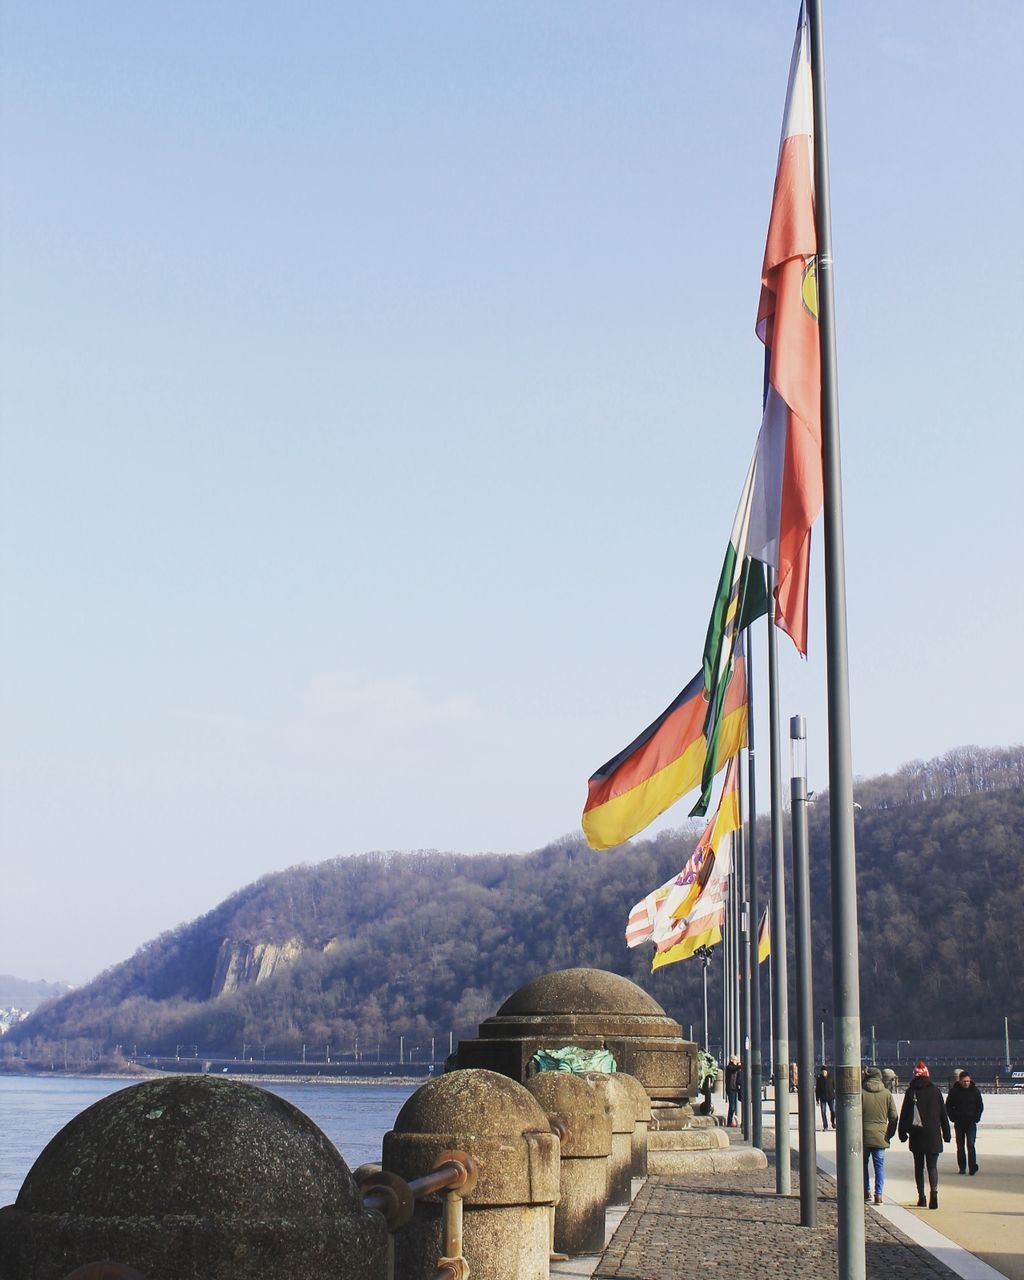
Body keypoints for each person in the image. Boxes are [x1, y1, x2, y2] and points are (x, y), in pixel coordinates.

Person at [898, 1060, 951, 1209]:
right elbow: (943, 1114)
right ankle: (934, 1192)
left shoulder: (911, 1092)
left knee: (919, 1166)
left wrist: (902, 1133)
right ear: (927, 1075)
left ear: (914, 1076)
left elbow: (905, 1115)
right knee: (932, 1166)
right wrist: (946, 1134)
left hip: (917, 1135)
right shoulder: (935, 1091)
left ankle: (921, 1197)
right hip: (933, 1134)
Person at [862, 1066, 898, 1204]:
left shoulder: (861, 1093)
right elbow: (894, 1117)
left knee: (863, 1165)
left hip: (864, 1134)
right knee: (879, 1166)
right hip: (881, 1135)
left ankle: (866, 1191)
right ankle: (879, 1195)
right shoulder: (887, 1094)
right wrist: (889, 1133)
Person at [946, 1069, 984, 1175]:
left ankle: (972, 1167)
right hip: (959, 1122)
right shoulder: (954, 1091)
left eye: (967, 1081)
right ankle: (962, 1167)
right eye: (964, 1081)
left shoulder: (975, 1091)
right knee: (960, 1145)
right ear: (960, 1081)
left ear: (970, 1080)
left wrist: (977, 1117)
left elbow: (980, 1106)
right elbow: (948, 1105)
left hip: (971, 1122)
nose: (966, 1083)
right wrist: (952, 1117)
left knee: (971, 1144)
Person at [724, 1055, 741, 1127]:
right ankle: (729, 1121)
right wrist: (740, 1066)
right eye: (736, 1060)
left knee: (733, 1106)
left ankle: (730, 1121)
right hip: (730, 1088)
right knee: (732, 1106)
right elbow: (734, 1069)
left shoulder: (735, 1068)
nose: (737, 1061)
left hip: (734, 1088)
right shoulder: (729, 1067)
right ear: (732, 1060)